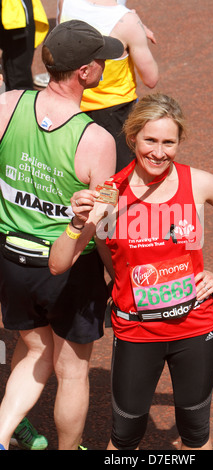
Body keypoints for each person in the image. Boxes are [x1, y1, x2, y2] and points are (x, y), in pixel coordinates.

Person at [49, 93, 213, 450]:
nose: (159, 152)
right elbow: (57, 264)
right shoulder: (109, 195)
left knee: (195, 433)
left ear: (179, 143)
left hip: (196, 327)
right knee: (125, 437)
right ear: (132, 139)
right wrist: (76, 222)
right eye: (150, 140)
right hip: (136, 331)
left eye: (169, 142)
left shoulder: (197, 183)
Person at [0, 19, 124, 450]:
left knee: (33, 348)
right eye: (101, 61)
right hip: (69, 266)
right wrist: (115, 271)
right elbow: (99, 223)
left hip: (12, 259)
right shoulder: (96, 138)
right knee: (72, 371)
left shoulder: (8, 103)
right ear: (85, 73)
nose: (105, 66)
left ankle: (3, 433)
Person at [58, 0, 159, 172]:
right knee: (118, 179)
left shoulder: (66, 2)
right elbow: (151, 79)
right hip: (113, 113)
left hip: (70, 105)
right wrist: (138, 31)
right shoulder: (127, 21)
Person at [0, 0, 48, 90]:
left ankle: (16, 97)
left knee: (16, 65)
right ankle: (20, 99)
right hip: (15, 12)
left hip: (15, 11)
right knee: (19, 71)